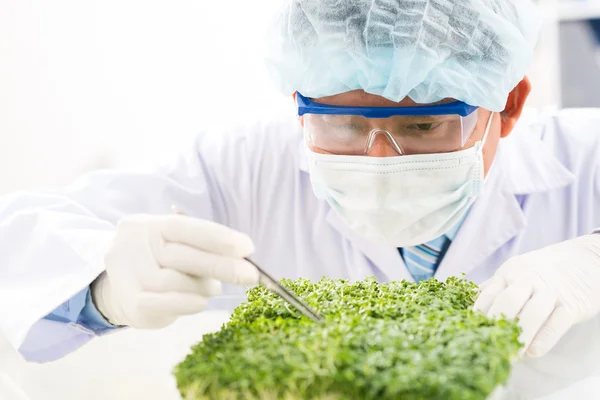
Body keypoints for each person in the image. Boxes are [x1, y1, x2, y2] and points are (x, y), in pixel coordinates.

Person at [1, 0, 600, 396]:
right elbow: (16, 241)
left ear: (510, 104)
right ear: (299, 101)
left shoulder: (585, 158)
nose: (379, 161)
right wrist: (101, 288)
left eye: (424, 127)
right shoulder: (239, 168)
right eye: (342, 124)